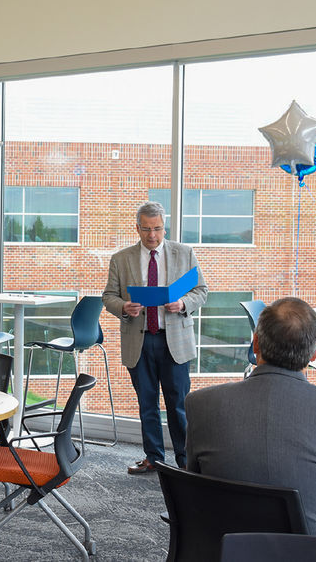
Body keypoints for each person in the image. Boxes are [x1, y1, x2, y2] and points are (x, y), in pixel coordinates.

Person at [185, 297, 316, 540]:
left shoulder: (201, 404)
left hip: (225, 551)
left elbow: (194, 497)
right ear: (315, 352)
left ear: (255, 344)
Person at [102, 201, 208, 475]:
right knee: (147, 403)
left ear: (164, 227)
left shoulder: (184, 254)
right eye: (147, 229)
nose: (152, 235)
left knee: (178, 405)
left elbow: (202, 291)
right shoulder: (121, 258)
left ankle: (185, 461)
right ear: (137, 228)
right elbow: (109, 296)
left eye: (158, 229)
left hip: (175, 340)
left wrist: (183, 303)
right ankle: (153, 458)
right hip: (140, 340)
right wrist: (123, 307)